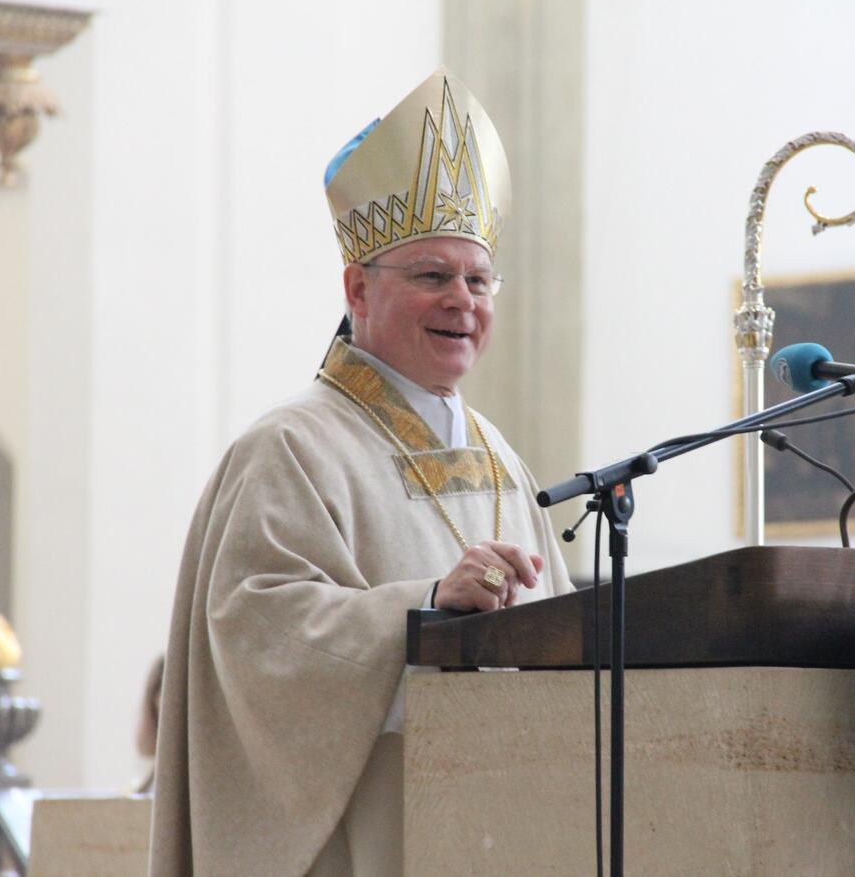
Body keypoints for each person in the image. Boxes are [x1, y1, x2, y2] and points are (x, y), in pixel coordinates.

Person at [149, 69, 572, 877]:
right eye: (432, 276)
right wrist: (425, 604)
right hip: (365, 841)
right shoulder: (290, 447)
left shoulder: (501, 458)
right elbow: (255, 631)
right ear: (358, 289)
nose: (462, 300)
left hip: (503, 825)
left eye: (478, 279)